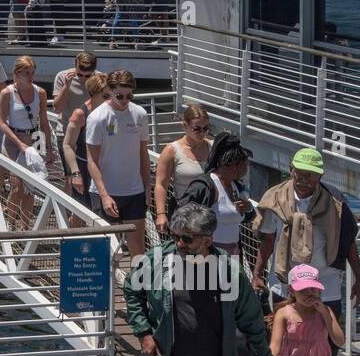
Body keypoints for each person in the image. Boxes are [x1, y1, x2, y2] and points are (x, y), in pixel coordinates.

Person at [125, 203, 275, 356]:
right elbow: (132, 290)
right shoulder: (157, 259)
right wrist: (143, 333)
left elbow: (251, 320)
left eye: (186, 238)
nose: (179, 244)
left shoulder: (228, 271)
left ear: (208, 240)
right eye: (174, 237)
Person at [252, 147, 360, 356]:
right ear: (290, 170)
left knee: (328, 344)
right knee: (285, 343)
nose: (304, 180)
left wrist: (359, 278)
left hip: (326, 285)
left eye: (311, 175)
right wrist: (257, 273)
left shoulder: (336, 204)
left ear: (320, 176)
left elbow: (349, 241)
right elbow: (267, 240)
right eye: (300, 173)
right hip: (285, 285)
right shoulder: (273, 199)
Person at [85, 69, 151, 257]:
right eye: (120, 95)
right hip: (105, 192)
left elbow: (143, 153)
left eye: (129, 95)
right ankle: (110, 285)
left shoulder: (140, 114)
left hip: (134, 190)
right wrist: (104, 195)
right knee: (107, 251)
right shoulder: (97, 118)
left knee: (138, 249)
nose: (125, 99)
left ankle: (139, 286)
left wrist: (147, 187)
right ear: (110, 91)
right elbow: (92, 161)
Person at [177, 132, 255, 256]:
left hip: (232, 253)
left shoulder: (237, 186)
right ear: (236, 166)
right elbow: (181, 217)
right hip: (206, 255)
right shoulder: (204, 186)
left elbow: (248, 216)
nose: (247, 168)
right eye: (246, 164)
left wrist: (249, 209)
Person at [0, 56, 52, 227]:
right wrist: (18, 143)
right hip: (14, 141)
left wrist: (48, 148)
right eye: (26, 73)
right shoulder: (7, 93)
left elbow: (44, 122)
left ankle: (26, 225)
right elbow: (1, 122)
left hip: (35, 139)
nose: (30, 77)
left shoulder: (41, 93)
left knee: (30, 188)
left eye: (32, 73)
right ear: (17, 73)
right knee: (16, 187)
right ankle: (11, 224)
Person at [153, 104, 213, 238]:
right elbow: (161, 184)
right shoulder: (171, 150)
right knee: (185, 256)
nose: (202, 133)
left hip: (210, 212)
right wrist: (161, 214)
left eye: (206, 128)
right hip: (184, 213)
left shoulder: (213, 147)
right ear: (185, 126)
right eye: (197, 129)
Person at [61, 73, 108, 213]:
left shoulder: (111, 112)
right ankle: (75, 234)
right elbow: (67, 145)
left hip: (106, 167)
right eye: (105, 96)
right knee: (81, 212)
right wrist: (75, 174)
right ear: (94, 94)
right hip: (84, 167)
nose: (109, 100)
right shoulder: (80, 114)